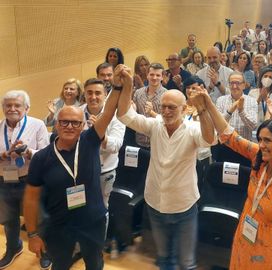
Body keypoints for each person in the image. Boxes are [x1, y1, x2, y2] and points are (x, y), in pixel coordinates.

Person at [24, 66, 126, 269]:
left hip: (92, 224)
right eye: (64, 122)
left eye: (75, 123)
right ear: (56, 124)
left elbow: (108, 113)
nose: (69, 126)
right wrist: (33, 234)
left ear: (82, 126)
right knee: (60, 265)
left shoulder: (90, 142)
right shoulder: (41, 158)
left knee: (95, 264)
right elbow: (31, 198)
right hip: (59, 226)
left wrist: (116, 86)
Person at [195, 87, 272, 269]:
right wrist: (208, 103)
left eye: (268, 141)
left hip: (271, 252)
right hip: (244, 238)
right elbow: (228, 135)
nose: (261, 145)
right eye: (260, 140)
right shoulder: (259, 159)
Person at [116, 64, 215, 269]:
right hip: (156, 205)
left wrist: (203, 108)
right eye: (164, 106)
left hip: (184, 207)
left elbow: (209, 138)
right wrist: (127, 86)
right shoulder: (155, 125)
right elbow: (125, 115)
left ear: (184, 108)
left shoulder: (192, 129)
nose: (167, 111)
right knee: (164, 259)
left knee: (186, 263)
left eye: (172, 107)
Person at [0, 90, 50, 269]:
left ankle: (45, 251)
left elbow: (46, 154)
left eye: (17, 105)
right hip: (4, 180)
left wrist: (29, 152)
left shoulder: (37, 125)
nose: (12, 108)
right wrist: (5, 154)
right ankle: (14, 247)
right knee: (8, 219)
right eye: (8, 105)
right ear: (3, 108)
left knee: (39, 218)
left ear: (26, 108)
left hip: (31, 180)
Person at [80, 79, 125, 208]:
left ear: (106, 95)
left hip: (105, 171)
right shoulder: (77, 113)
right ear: (84, 94)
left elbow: (116, 146)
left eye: (98, 93)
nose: (93, 97)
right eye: (89, 93)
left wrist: (99, 132)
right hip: (81, 169)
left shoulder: (117, 115)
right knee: (80, 207)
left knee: (102, 207)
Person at [132, 63, 167, 148]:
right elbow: (134, 115)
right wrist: (131, 108)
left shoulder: (167, 95)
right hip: (139, 141)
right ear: (147, 75)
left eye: (158, 75)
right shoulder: (138, 92)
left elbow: (167, 121)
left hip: (158, 142)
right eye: (151, 74)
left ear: (162, 77)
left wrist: (152, 112)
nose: (154, 78)